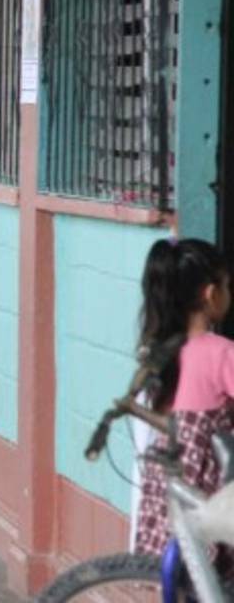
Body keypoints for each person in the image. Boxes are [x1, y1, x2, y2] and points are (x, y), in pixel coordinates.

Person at [134, 238, 233, 567]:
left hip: (166, 488)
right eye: (227, 286)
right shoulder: (221, 353)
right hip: (205, 489)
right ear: (210, 293)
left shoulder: (158, 352)